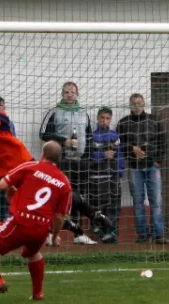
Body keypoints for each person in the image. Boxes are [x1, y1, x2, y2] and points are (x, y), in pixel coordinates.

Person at [0, 89, 111, 238]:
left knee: (54, 190)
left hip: (23, 165)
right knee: (29, 207)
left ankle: (93, 214)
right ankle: (69, 226)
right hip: (3, 175)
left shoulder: (1, 117)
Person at [0, 141, 72, 303]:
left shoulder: (30, 166)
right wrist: (55, 236)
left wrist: (11, 190)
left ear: (42, 154)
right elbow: (59, 216)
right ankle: (38, 293)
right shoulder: (64, 182)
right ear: (59, 158)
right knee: (33, 253)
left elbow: (1, 185)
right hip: (42, 228)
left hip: (21, 222)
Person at [39, 82, 97, 245]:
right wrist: (63, 142)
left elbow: (89, 137)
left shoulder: (84, 113)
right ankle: (50, 233)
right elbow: (43, 133)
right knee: (57, 198)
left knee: (77, 199)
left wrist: (88, 159)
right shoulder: (54, 112)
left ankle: (78, 235)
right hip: (60, 162)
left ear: (77, 94)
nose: (70, 94)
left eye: (73, 92)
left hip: (79, 163)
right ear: (62, 94)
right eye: (67, 92)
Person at [117, 93, 168, 244]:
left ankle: (158, 234)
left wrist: (158, 160)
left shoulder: (155, 120)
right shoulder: (123, 123)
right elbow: (118, 144)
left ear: (144, 103)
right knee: (138, 201)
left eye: (139, 103)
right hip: (134, 168)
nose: (137, 106)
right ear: (130, 105)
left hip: (152, 166)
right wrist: (132, 149)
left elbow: (163, 141)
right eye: (134, 103)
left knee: (156, 200)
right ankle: (142, 235)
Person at [88, 107, 124, 243]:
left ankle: (112, 233)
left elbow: (120, 155)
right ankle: (100, 233)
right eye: (102, 118)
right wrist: (103, 155)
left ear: (110, 120)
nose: (104, 121)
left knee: (114, 206)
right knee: (99, 207)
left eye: (107, 118)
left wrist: (119, 171)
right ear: (97, 119)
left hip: (113, 177)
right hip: (97, 178)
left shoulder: (115, 136)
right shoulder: (91, 136)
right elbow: (88, 156)